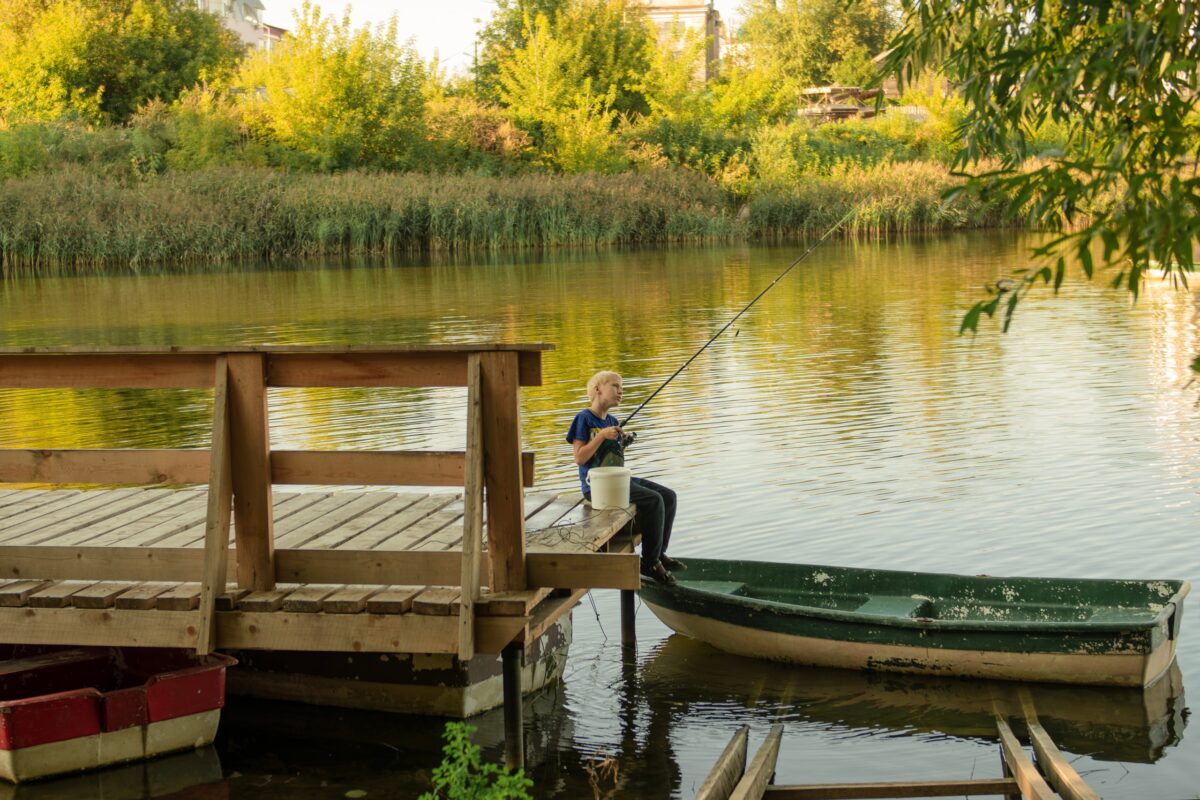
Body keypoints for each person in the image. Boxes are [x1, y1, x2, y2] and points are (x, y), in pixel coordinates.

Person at [566, 370, 684, 586]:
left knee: (668, 496)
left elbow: (611, 457)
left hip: (616, 480)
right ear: (597, 390)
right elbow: (580, 458)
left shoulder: (612, 420)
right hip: (597, 488)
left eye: (622, 387)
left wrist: (622, 442)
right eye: (615, 386)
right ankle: (649, 563)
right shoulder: (583, 418)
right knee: (653, 500)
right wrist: (602, 435)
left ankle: (659, 553)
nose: (621, 391)